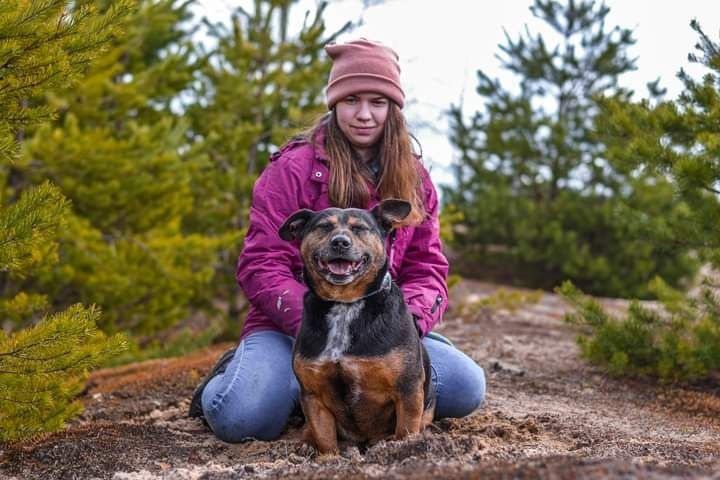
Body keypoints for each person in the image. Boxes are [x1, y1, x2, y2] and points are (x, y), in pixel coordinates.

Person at [188, 38, 486, 443]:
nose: (364, 114)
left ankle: (320, 392)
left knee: (466, 386)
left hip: (383, 328)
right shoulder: (292, 168)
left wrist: (408, 323)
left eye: (377, 103)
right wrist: (312, 320)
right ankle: (263, 380)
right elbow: (261, 264)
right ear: (334, 104)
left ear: (393, 109)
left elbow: (427, 268)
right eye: (351, 101)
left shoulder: (414, 179)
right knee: (244, 417)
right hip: (294, 328)